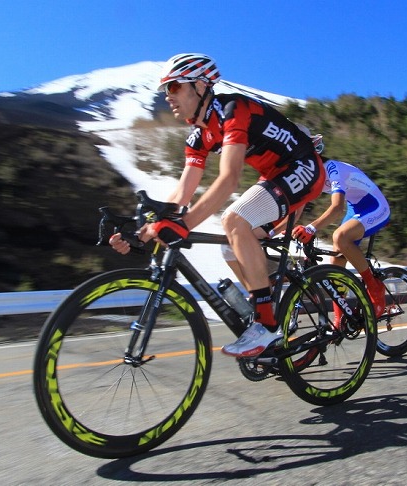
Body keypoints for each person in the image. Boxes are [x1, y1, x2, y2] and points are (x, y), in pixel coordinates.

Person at [109, 53, 325, 357]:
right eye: (165, 90)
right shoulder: (199, 136)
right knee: (229, 245)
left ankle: (266, 323)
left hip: (304, 166)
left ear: (198, 85)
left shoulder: (232, 110)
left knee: (234, 220)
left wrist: (183, 225)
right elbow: (181, 194)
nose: (167, 97)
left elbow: (229, 178)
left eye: (173, 88)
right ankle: (268, 303)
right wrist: (143, 233)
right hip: (275, 175)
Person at [290, 128, 390, 319]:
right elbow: (297, 208)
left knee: (340, 236)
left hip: (375, 205)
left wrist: (311, 228)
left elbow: (337, 208)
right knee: (336, 266)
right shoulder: (310, 176)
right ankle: (340, 317)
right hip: (356, 208)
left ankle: (374, 286)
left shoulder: (332, 169)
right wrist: (273, 232)